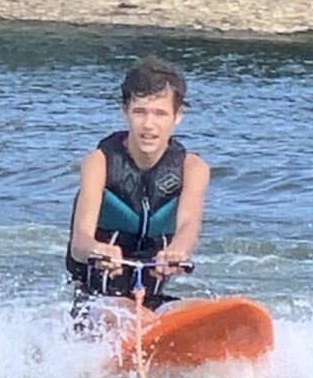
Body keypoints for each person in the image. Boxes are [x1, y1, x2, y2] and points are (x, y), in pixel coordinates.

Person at [66, 56, 210, 331]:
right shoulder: (99, 162)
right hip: (97, 303)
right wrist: (97, 249)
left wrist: (178, 251)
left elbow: (188, 226)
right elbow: (80, 242)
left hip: (153, 302)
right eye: (140, 111)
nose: (148, 125)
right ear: (125, 111)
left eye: (160, 113)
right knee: (132, 318)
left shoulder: (193, 169)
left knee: (204, 314)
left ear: (178, 116)